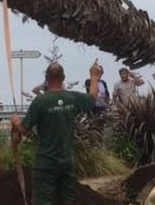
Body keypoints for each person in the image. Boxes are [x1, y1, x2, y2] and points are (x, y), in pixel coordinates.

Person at [10, 61, 100, 205]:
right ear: (63, 78)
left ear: (46, 78)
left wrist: (15, 122)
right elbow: (92, 98)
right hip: (66, 161)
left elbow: (24, 131)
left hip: (45, 162)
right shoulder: (73, 98)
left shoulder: (40, 101)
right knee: (68, 200)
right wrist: (94, 76)